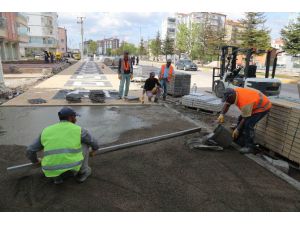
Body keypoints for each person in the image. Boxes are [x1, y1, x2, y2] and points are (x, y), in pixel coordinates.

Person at [26, 107, 99, 184]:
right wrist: (93, 151)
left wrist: (36, 161)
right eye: (75, 117)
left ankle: (57, 179)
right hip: (71, 170)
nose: (76, 119)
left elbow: (30, 150)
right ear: (71, 117)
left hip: (50, 172)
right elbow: (94, 143)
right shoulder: (79, 130)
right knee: (85, 143)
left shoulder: (46, 130)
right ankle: (83, 171)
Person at [217, 87, 271, 154]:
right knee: (240, 119)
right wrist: (221, 114)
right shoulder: (233, 92)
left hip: (262, 107)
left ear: (232, 96)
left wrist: (238, 129)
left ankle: (250, 147)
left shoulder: (245, 102)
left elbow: (245, 118)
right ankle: (239, 139)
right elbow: (227, 104)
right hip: (253, 103)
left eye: (227, 99)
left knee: (248, 124)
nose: (226, 101)